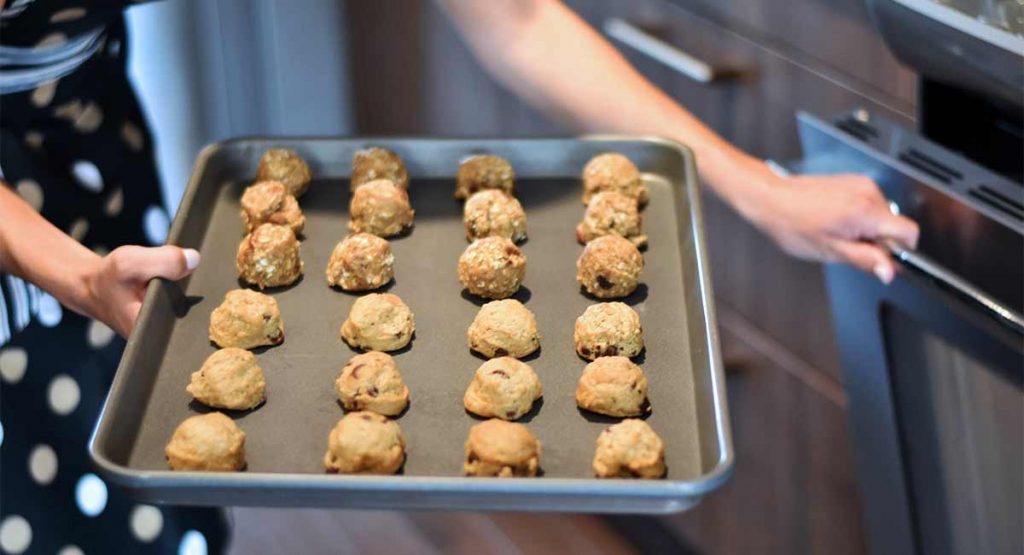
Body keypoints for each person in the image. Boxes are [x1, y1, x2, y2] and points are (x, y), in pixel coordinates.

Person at [0, 0, 918, 553]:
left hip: (84, 148)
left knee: (138, 517)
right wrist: (70, 275)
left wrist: (761, 190)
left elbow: (516, 21)